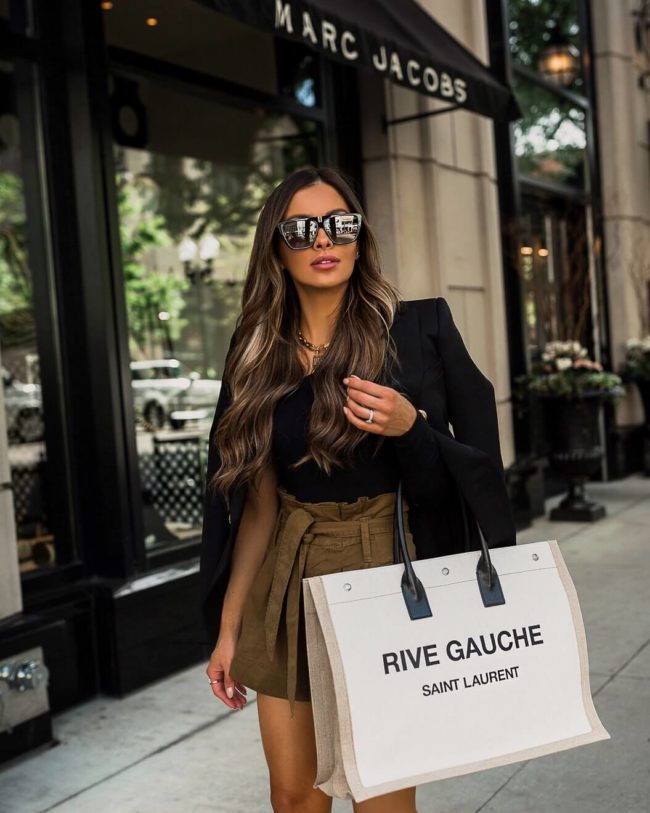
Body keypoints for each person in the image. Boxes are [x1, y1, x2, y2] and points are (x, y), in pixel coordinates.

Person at [199, 165, 516, 812]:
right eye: (301, 229)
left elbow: (473, 477)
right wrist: (229, 631)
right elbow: (258, 507)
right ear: (276, 249)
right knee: (294, 797)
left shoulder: (418, 330)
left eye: (339, 223)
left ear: (359, 236)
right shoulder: (255, 350)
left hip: (389, 568)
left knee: (380, 797)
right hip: (289, 576)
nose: (324, 239)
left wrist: (411, 428)